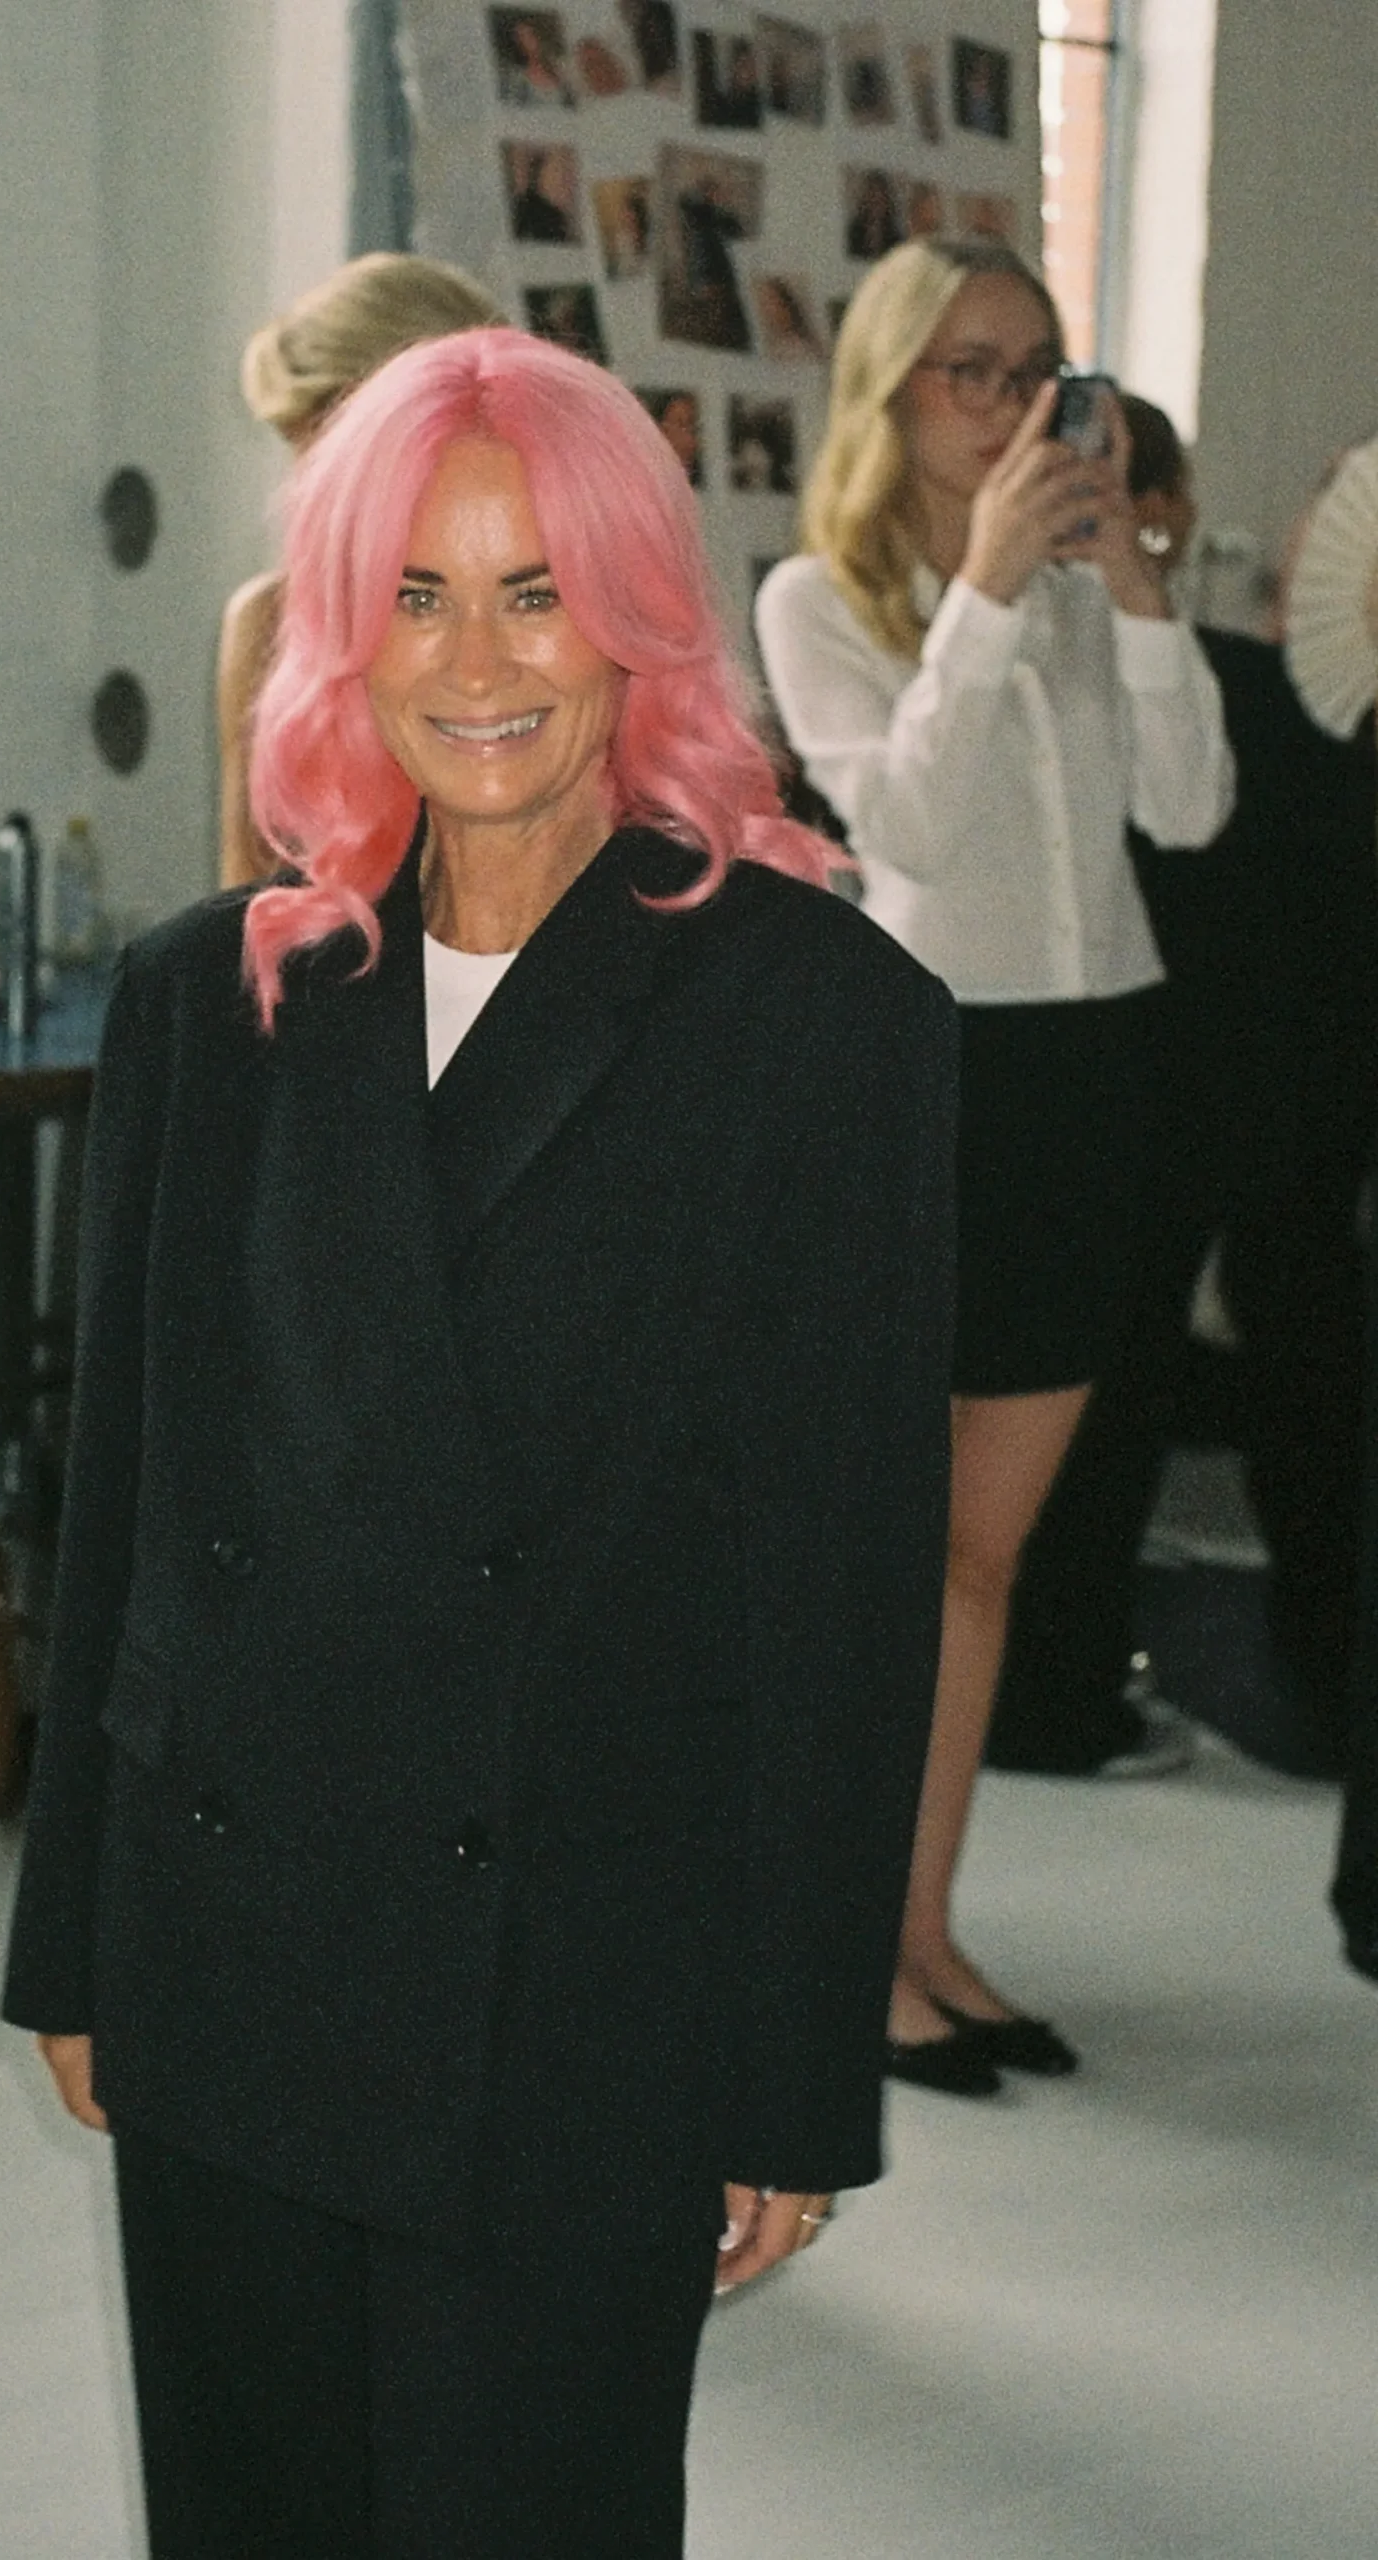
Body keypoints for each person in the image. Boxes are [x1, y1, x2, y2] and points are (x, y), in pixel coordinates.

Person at [4, 326, 958, 2559]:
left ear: (637, 620)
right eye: (415, 596)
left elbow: (841, 1593)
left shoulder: (822, 1022)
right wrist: (78, 1940)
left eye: (537, 592)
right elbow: (121, 1495)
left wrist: (794, 2069)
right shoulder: (215, 997)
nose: (476, 660)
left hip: (577, 1981)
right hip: (234, 1940)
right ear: (344, 634)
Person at [755, 242, 1233, 2094]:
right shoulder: (820, 598)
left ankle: (925, 1928)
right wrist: (981, 597)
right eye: (971, 369)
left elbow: (1190, 811)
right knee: (881, 1556)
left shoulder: (1083, 592)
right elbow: (910, 830)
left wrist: (1139, 592)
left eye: (1038, 369)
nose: (1015, 406)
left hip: (1092, 1070)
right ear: (889, 392)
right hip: (927, 1077)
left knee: (983, 1560)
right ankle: (835, 1950)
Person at [991, 398, 1378, 1781]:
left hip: (1204, 1074)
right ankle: (1308, 1677)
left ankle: (1072, 1684)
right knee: (1253, 1386)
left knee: (1146, 1391)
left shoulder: (1207, 683)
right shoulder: (1194, 681)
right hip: (1246, 1084)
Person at [218, 254, 504, 889]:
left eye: (320, 451)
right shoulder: (269, 625)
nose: (305, 489)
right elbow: (243, 909)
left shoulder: (562, 622)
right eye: (298, 455)